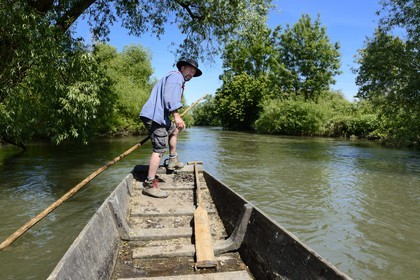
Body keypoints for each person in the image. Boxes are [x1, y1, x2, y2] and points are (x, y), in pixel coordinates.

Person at [139, 58, 202, 198]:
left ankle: (173, 160)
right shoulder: (176, 77)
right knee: (160, 149)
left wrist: (174, 120)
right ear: (183, 68)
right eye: (190, 70)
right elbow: (169, 98)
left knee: (174, 129)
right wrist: (177, 116)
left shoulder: (175, 78)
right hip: (155, 117)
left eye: (193, 72)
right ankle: (149, 184)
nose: (191, 74)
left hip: (160, 116)